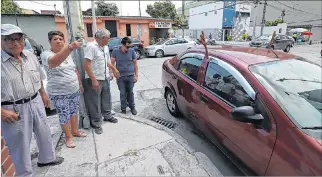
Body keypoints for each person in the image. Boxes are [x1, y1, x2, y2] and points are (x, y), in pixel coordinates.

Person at [1, 24, 64, 177]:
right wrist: (2, 112)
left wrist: (43, 94)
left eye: (19, 38)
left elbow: (39, 77)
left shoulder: (29, 55)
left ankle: (46, 159)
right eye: (9, 39)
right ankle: (24, 174)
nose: (15, 43)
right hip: (12, 108)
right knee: (20, 145)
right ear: (1, 40)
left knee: (44, 132)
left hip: (35, 100)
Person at [41, 31, 87, 148]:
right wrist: (70, 47)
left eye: (61, 39)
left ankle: (75, 131)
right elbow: (53, 62)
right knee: (64, 114)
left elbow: (74, 70)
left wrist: (80, 84)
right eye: (55, 39)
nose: (58, 41)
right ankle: (68, 137)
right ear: (49, 41)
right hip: (59, 92)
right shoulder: (46, 54)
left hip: (74, 89)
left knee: (73, 111)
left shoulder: (68, 55)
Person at [83, 29, 120, 135]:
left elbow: (107, 61)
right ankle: (96, 123)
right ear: (101, 38)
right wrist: (94, 80)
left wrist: (113, 69)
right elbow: (86, 65)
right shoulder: (91, 47)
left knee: (106, 98)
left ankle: (107, 116)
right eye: (108, 38)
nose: (109, 40)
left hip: (105, 77)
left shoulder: (106, 47)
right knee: (95, 102)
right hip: (94, 79)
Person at [111, 37, 139, 115]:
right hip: (120, 77)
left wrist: (136, 75)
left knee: (130, 92)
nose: (128, 48)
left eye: (130, 46)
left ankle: (132, 107)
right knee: (122, 93)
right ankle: (123, 109)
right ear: (122, 44)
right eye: (127, 46)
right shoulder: (115, 51)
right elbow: (111, 64)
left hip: (130, 76)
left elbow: (135, 64)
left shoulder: (132, 51)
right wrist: (113, 72)